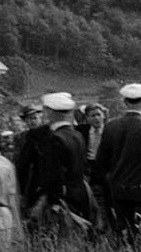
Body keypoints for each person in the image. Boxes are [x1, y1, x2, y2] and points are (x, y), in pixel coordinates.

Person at [92, 83, 141, 246]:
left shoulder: (111, 126)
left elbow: (100, 161)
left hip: (118, 187)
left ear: (124, 102)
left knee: (123, 229)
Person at [16, 92, 94, 240]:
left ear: (49, 112)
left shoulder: (54, 139)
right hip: (79, 194)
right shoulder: (77, 135)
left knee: (52, 241)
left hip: (58, 199)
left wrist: (52, 202)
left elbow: (53, 174)